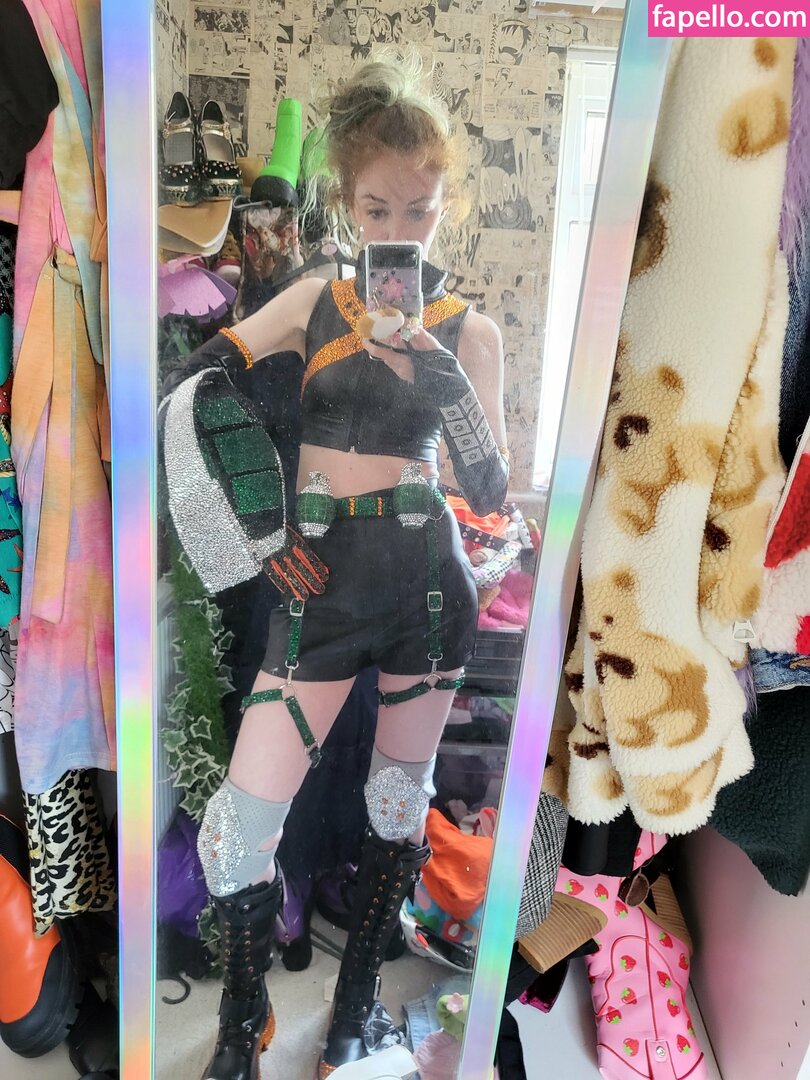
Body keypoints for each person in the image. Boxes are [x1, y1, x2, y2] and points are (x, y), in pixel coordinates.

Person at [161, 56, 509, 1080]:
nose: (401, 229)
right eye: (377, 207)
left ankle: (354, 1005)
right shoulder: (314, 299)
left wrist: (444, 380)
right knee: (236, 833)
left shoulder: (473, 332)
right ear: (347, 204)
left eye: (421, 210)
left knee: (396, 811)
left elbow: (492, 493)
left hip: (429, 593)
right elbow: (197, 384)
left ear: (446, 206)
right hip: (318, 585)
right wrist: (263, 532)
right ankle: (245, 1022)